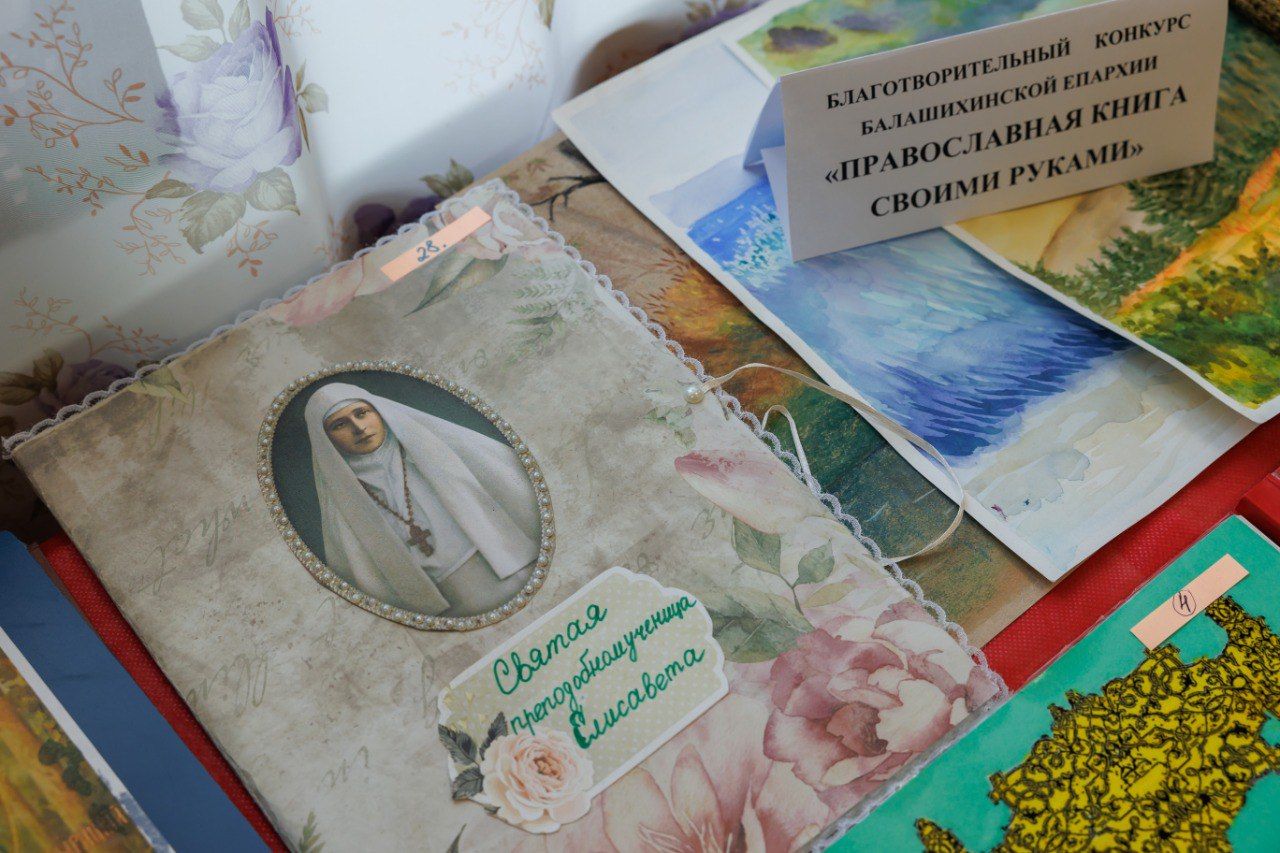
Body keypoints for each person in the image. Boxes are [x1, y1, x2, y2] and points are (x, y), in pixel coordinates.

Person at [303, 381, 538, 617]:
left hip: (505, 568)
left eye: (362, 413)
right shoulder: (344, 504)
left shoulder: (433, 449)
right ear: (326, 438)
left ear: (378, 411)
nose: (358, 428)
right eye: (340, 425)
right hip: (446, 605)